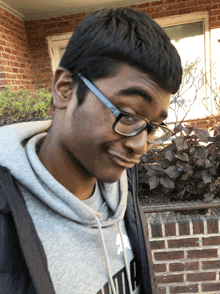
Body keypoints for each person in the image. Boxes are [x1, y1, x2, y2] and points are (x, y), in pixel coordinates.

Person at [0, 7, 182, 294]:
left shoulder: (122, 189)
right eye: (128, 114)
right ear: (64, 89)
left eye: (152, 126)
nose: (140, 145)